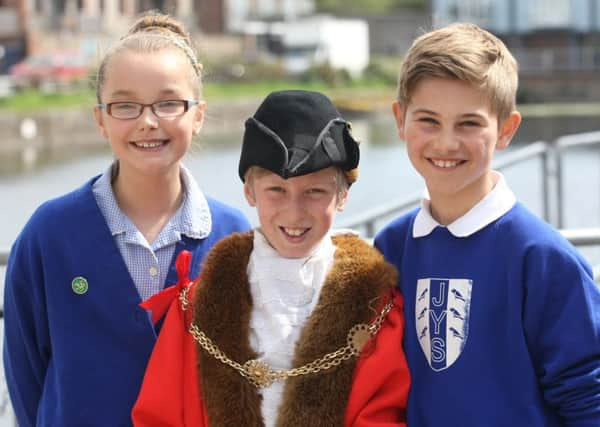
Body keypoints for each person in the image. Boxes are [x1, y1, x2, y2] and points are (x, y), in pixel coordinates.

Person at [3, 12, 251, 427]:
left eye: (169, 103)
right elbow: (26, 377)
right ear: (100, 118)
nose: (147, 121)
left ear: (199, 114)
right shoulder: (49, 234)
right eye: (125, 105)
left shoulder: (234, 237)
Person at [132, 90, 410, 426]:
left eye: (315, 191)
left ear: (342, 196)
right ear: (250, 191)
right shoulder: (195, 307)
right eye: (276, 190)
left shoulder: (376, 307)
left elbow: (382, 413)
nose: (294, 212)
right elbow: (160, 415)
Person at [374, 22, 600, 426]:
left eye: (469, 123)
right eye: (428, 120)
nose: (446, 143)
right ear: (400, 119)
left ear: (506, 130)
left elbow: (588, 397)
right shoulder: (390, 247)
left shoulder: (544, 259)